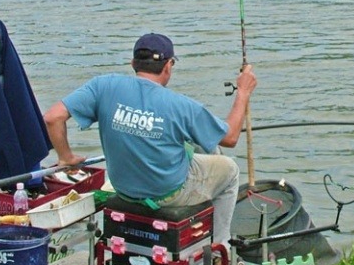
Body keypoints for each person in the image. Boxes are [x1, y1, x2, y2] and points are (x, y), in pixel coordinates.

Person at [43, 32, 257, 249]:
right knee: (229, 171)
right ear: (168, 66)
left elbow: (53, 117)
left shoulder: (103, 86)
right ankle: (220, 247)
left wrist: (66, 156)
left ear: (133, 63)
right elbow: (230, 137)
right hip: (168, 192)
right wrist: (243, 93)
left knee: (203, 145)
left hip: (124, 187)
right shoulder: (180, 105)